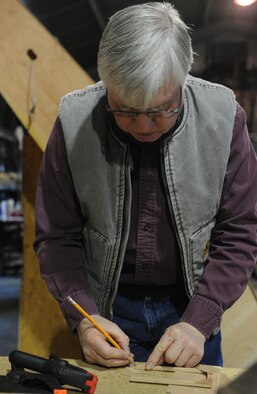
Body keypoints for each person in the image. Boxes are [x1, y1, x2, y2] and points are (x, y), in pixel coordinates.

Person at [34, 2, 257, 369]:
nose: (142, 127)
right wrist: (85, 319)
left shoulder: (223, 117)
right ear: (106, 84)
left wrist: (201, 319)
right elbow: (57, 235)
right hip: (107, 310)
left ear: (183, 81)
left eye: (160, 110)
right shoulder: (73, 122)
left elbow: (240, 231)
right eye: (124, 110)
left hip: (191, 305)